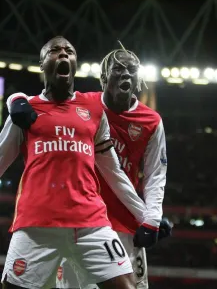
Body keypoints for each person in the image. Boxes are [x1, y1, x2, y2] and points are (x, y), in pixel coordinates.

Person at [0, 36, 159, 289]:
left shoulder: (94, 110)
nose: (63, 54)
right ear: (42, 64)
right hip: (37, 225)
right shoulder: (25, 112)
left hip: (92, 225)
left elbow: (113, 172)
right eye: (55, 51)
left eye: (69, 51)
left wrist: (147, 215)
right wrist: (14, 99)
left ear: (75, 63)